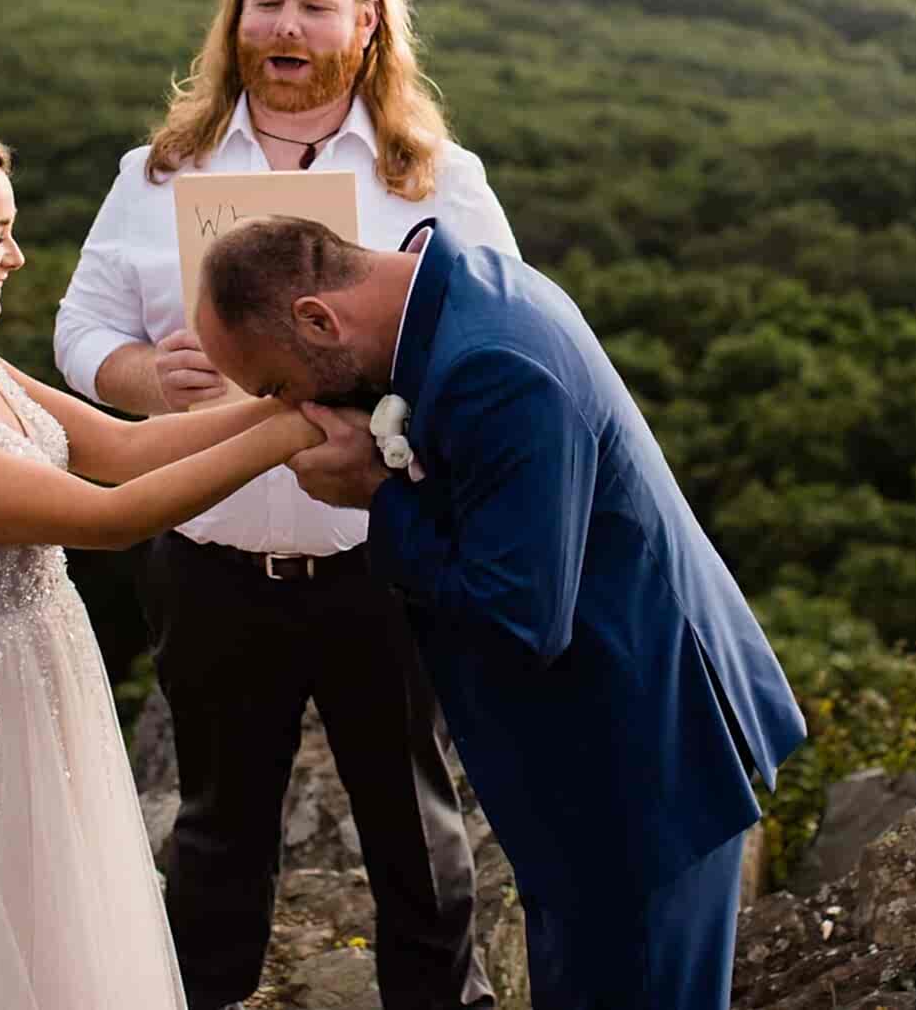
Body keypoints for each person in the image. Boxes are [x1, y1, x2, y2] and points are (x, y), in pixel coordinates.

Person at [55, 0, 511, 1010]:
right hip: (210, 563)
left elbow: (499, 345)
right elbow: (80, 328)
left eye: (314, 6)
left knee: (416, 830)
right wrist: (141, 378)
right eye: (267, 5)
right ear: (235, 18)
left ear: (366, 25)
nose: (287, 30)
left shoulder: (433, 177)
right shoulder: (157, 171)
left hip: (382, 559)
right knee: (214, 837)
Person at [193, 215, 808, 1010]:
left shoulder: (493, 365)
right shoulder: (458, 288)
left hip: (638, 768)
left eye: (276, 384)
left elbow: (517, 615)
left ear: (318, 318)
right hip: (597, 765)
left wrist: (380, 497)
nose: (290, 406)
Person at [0, 121, 329, 1010]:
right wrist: (291, 434)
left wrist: (288, 385)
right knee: (10, 949)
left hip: (40, 687)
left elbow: (120, 447)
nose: (18, 257)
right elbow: (110, 517)